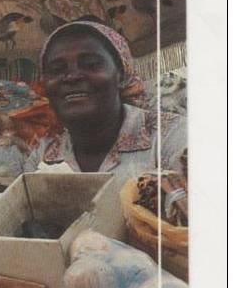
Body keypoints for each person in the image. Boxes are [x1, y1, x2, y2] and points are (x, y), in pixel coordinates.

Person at [24, 20, 186, 185]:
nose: (72, 76)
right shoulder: (44, 156)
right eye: (57, 69)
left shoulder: (170, 136)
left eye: (91, 65)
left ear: (121, 74)